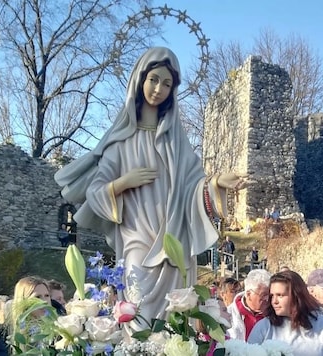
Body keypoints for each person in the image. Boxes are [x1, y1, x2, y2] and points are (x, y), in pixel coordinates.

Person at [55, 47, 246, 334]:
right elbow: (95, 191)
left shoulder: (177, 143)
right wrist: (123, 183)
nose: (158, 89)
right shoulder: (120, 142)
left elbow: (194, 187)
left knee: (174, 321)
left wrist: (216, 182)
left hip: (174, 242)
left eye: (167, 84)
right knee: (138, 317)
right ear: (140, 80)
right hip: (136, 240)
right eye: (153, 79)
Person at [248, 270, 323, 356]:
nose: (274, 301)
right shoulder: (263, 328)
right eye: (272, 296)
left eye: (280, 295)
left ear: (297, 296)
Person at [226, 269, 272, 341]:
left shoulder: (274, 315)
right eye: (263, 295)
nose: (267, 299)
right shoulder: (228, 314)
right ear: (248, 294)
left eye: (270, 294)